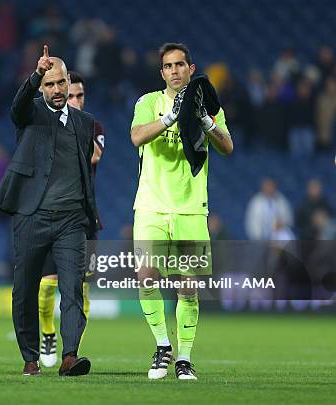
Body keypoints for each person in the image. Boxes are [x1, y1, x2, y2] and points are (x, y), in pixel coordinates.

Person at [0, 45, 98, 377]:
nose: (55, 89)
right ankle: (30, 358)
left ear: (69, 83)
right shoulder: (30, 113)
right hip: (31, 215)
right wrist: (36, 72)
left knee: (73, 291)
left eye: (60, 83)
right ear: (41, 87)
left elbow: (85, 168)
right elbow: (17, 106)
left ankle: (69, 356)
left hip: (70, 220)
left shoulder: (85, 123)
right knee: (24, 289)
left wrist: (86, 213)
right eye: (49, 84)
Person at [130, 42, 233, 380]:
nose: (174, 71)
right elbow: (137, 137)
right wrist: (170, 117)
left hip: (190, 209)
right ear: (162, 73)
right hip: (151, 206)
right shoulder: (149, 102)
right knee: (146, 276)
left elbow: (227, 146)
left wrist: (204, 120)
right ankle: (163, 346)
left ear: (191, 68)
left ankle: (184, 358)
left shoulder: (209, 107)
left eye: (180, 65)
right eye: (168, 66)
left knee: (187, 286)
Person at [37, 70, 105, 368]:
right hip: (48, 212)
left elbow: (95, 156)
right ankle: (49, 334)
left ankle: (72, 344)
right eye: (71, 95)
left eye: (80, 96)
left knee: (80, 285)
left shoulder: (92, 125)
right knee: (46, 284)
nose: (76, 100)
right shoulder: (46, 121)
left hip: (82, 215)